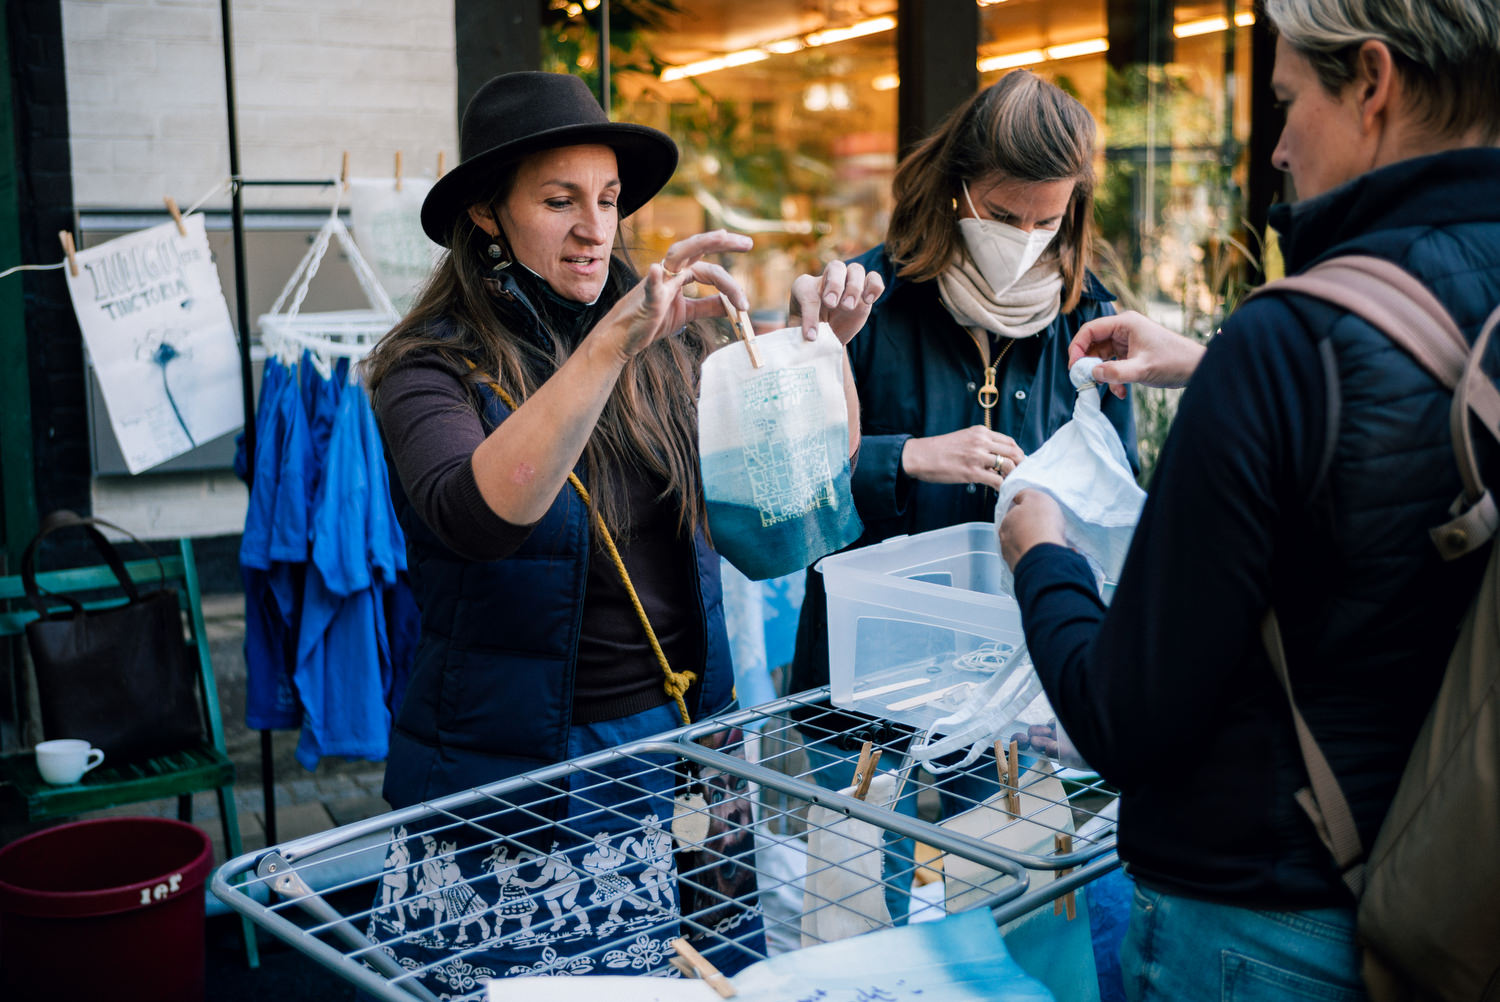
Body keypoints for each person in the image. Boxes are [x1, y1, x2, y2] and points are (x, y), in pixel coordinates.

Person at [999, 0, 1500, 994]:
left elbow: (1123, 720)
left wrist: (1040, 551)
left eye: (1288, 100)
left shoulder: (1285, 347)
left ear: (1372, 82)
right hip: (1452, 896)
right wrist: (1211, 364)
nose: (1276, 147)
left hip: (1258, 925)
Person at [360, 71, 881, 988]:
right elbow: (477, 516)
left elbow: (799, 484)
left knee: (699, 982)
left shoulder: (673, 341)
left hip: (686, 747)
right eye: (559, 201)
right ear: (486, 212)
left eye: (606, 200)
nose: (594, 229)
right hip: (524, 773)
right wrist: (610, 343)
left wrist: (824, 351)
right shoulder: (428, 365)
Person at [787, 69, 1137, 920]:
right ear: (958, 188)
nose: (1026, 241)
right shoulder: (866, 301)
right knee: (855, 926)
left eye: (1047, 222)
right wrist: (904, 457)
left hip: (1009, 687)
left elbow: (1116, 498)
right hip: (863, 684)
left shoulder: (1091, 321)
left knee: (1012, 925)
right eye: (1005, 216)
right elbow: (793, 496)